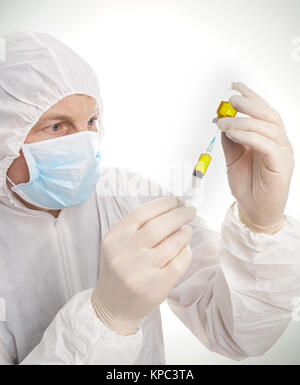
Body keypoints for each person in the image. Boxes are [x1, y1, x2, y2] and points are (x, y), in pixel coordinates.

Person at [0, 30, 299, 365]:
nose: (84, 143)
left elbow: (236, 333)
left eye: (91, 121)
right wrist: (108, 317)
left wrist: (261, 224)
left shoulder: (127, 198)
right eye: (57, 127)